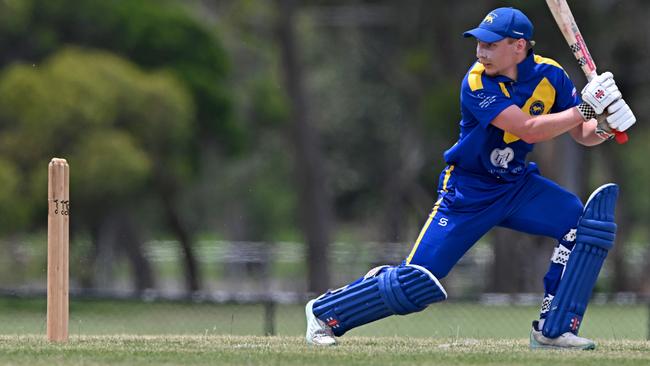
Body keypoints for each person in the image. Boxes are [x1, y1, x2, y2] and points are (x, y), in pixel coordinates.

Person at [304, 7, 636, 349]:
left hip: (516, 185)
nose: (481, 51)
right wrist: (587, 106)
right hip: (467, 191)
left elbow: (581, 133)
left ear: (519, 46)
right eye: (479, 43)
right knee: (416, 282)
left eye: (491, 45)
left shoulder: (551, 75)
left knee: (580, 224)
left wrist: (606, 126)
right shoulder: (476, 81)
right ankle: (324, 313)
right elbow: (527, 129)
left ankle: (554, 329)